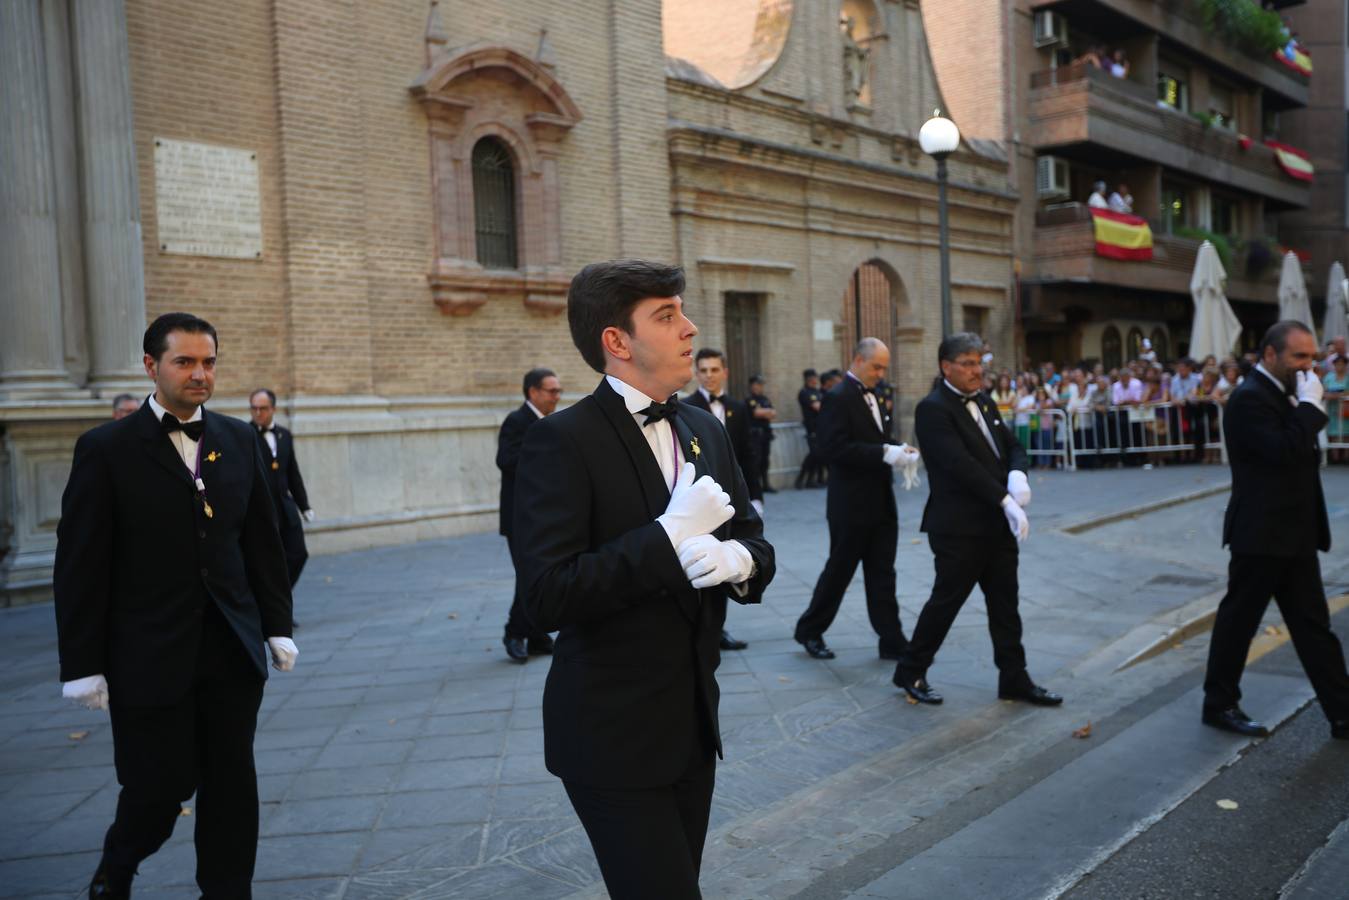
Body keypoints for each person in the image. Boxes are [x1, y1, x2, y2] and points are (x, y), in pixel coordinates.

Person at [513, 259, 775, 898]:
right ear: (617, 341)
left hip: (691, 729)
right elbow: (546, 595)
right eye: (667, 315)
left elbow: (754, 540)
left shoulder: (704, 429)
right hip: (611, 737)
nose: (690, 328)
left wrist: (738, 563)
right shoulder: (561, 441)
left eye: (682, 311)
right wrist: (668, 536)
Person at [54, 313, 295, 898]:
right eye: (184, 362)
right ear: (151, 366)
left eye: (208, 362)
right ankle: (119, 865)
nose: (199, 374)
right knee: (157, 789)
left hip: (231, 652)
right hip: (147, 656)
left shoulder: (238, 439)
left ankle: (227, 890)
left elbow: (263, 543)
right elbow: (80, 565)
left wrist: (276, 626)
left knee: (232, 783)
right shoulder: (106, 449)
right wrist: (82, 665)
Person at [893, 333, 1061, 708]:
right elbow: (958, 465)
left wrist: (1018, 475)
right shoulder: (932, 408)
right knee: (946, 602)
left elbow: (1012, 446)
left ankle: (1014, 678)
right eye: (967, 363)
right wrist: (1004, 498)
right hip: (959, 527)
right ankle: (910, 669)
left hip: (996, 524)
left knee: (1006, 605)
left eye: (978, 362)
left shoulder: (984, 401)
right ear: (946, 367)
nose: (976, 370)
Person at [1201, 321, 1348, 741]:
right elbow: (1283, 452)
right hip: (1261, 535)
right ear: (1270, 355)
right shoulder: (1249, 399)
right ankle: (1218, 704)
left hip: (1293, 534)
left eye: (1314, 357)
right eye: (1299, 357)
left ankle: (1342, 712)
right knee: (1238, 624)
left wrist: (1305, 406)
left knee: (1314, 628)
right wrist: (1309, 410)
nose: (1310, 366)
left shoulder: (1283, 393)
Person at [793, 338, 920, 661]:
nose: (881, 373)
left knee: (883, 572)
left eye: (883, 368)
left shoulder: (877, 393)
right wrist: (883, 452)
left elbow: (876, 440)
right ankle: (810, 630)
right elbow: (831, 449)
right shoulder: (836, 397)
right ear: (857, 360)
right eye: (876, 366)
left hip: (881, 500)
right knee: (840, 571)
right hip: (849, 504)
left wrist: (899, 450)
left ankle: (891, 639)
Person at [684, 347, 762, 651]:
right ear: (696, 373)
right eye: (703, 370)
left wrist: (755, 498)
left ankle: (718, 627)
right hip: (702, 500)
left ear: (724, 372)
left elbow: (747, 455)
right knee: (702, 560)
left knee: (728, 559)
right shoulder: (686, 406)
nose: (709, 375)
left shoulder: (738, 408)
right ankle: (700, 628)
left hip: (734, 497)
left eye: (714, 369)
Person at [496, 367, 563, 662]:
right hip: (520, 517)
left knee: (539, 573)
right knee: (528, 575)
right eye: (552, 391)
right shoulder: (517, 420)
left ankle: (536, 635)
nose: (557, 396)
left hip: (544, 516)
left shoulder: (551, 422)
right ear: (533, 392)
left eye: (558, 390)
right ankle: (514, 633)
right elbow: (506, 460)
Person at [249, 389, 314, 607]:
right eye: (254, 408)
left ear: (273, 409)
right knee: (268, 562)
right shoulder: (245, 435)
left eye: (263, 408)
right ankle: (273, 608)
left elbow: (293, 473)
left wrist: (304, 506)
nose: (258, 413)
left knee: (298, 554)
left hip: (286, 508)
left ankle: (280, 600)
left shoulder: (284, 435)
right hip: (261, 511)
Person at [745, 375, 777, 492]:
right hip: (755, 436)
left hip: (766, 435)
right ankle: (755, 486)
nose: (760, 387)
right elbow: (756, 413)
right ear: (752, 385)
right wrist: (766, 412)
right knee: (756, 462)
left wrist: (765, 412)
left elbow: (773, 413)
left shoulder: (765, 399)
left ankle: (766, 484)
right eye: (757, 384)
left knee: (765, 460)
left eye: (761, 384)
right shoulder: (750, 399)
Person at [796, 369, 826, 489]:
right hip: (812, 428)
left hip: (820, 427)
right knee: (814, 454)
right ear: (808, 379)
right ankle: (801, 479)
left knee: (817, 455)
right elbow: (818, 407)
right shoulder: (804, 392)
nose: (815, 379)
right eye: (813, 377)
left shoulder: (817, 392)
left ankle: (810, 480)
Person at [1324, 355, 1347, 462]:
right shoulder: (1329, 377)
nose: (1340, 366)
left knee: (1346, 433)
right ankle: (1334, 458)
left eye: (1342, 364)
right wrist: (1331, 395)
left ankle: (1346, 457)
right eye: (1337, 364)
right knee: (1333, 433)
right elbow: (1323, 390)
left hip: (1345, 411)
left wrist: (1338, 395)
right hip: (1332, 410)